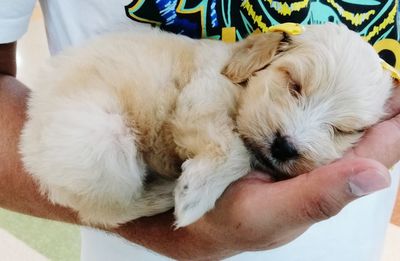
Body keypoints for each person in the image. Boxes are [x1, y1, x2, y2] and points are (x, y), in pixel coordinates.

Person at [0, 0, 399, 260]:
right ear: (263, 56)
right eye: (292, 87)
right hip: (107, 151)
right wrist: (174, 233)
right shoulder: (225, 72)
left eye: (341, 128)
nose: (294, 136)